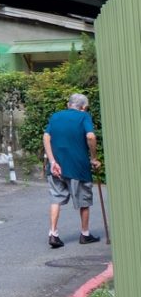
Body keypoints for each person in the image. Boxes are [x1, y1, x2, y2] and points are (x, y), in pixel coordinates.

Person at [42, 92, 101, 248]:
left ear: (68, 105)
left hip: (56, 167)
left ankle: (53, 234)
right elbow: (90, 137)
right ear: (83, 107)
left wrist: (52, 161)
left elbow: (46, 137)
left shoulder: (55, 116)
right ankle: (85, 234)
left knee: (56, 198)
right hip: (78, 167)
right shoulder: (84, 116)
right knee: (84, 201)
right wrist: (94, 158)